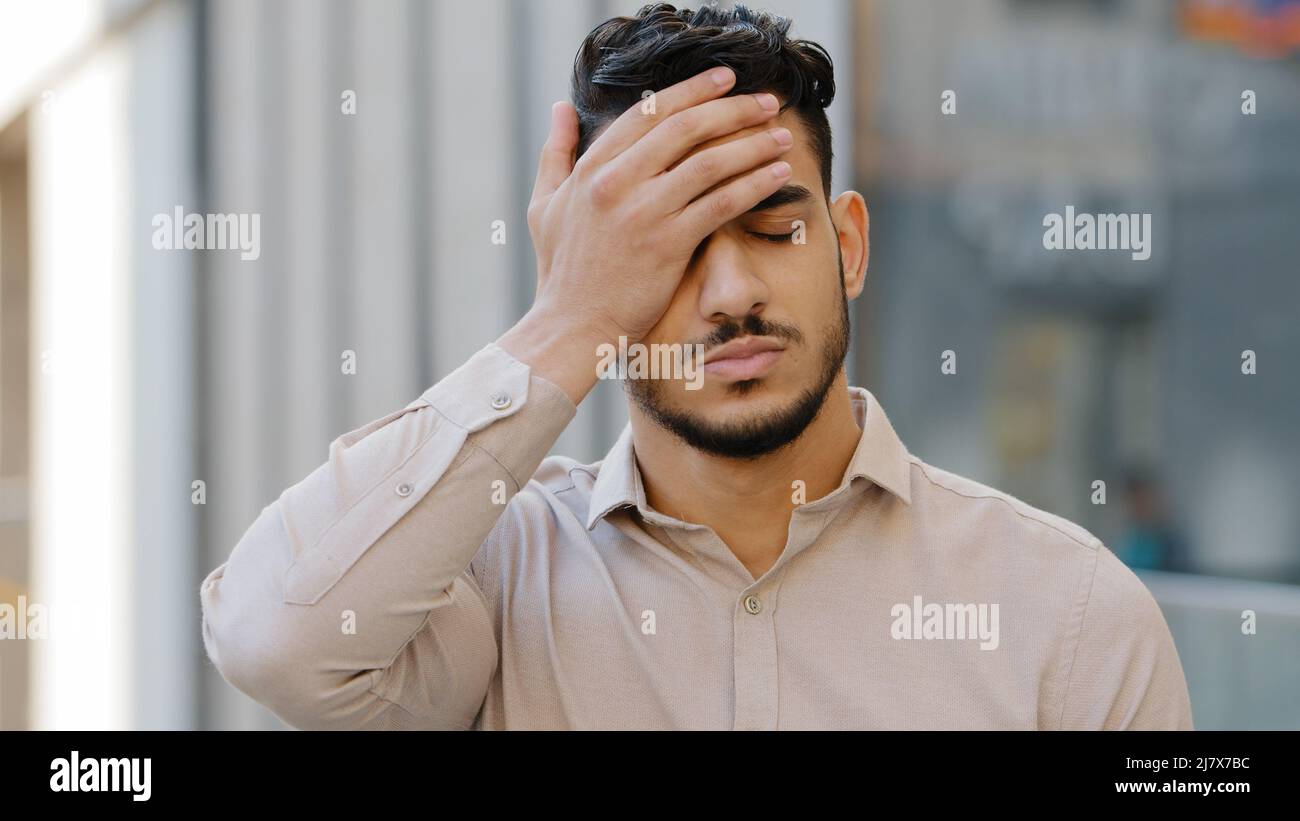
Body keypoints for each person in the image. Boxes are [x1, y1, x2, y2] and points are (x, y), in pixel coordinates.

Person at [200, 3, 1193, 730]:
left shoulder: (1066, 610)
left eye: (773, 227)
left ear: (846, 244)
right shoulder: (493, 587)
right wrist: (567, 318)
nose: (729, 294)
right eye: (665, 248)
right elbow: (271, 639)